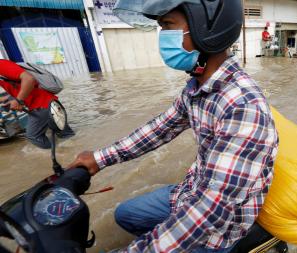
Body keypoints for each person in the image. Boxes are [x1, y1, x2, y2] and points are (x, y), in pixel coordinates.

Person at [68, 0, 279, 252]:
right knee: (125, 215)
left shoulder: (243, 107)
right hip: (191, 190)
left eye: (168, 25)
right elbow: (160, 128)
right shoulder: (197, 87)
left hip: (219, 227)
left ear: (207, 29)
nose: (162, 37)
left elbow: (211, 209)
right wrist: (99, 159)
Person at [0, 59, 74, 148]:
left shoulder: (1, 65)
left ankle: (56, 153)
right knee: (66, 134)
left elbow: (29, 79)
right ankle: (72, 151)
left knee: (33, 136)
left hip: (41, 105)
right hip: (50, 103)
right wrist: (11, 99)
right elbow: (18, 87)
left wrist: (18, 100)